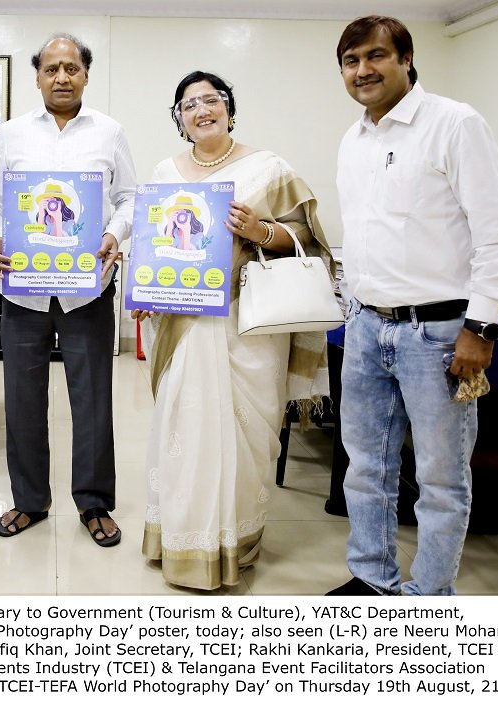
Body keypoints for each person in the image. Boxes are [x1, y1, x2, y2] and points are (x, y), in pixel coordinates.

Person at [328, 16, 498, 596]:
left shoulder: (454, 124)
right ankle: (372, 578)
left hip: (438, 333)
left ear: (406, 58)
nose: (364, 70)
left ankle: (429, 595)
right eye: (352, 61)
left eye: (376, 56)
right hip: (365, 327)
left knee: (439, 478)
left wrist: (480, 327)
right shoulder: (353, 139)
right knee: (366, 469)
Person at [134, 71, 332, 590]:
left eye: (211, 100)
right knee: (184, 432)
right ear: (178, 119)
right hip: (184, 326)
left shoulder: (269, 168)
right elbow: (153, 247)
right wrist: (143, 293)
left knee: (246, 434)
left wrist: (261, 230)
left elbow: (310, 240)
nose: (202, 110)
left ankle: (235, 542)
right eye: (189, 104)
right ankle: (183, 541)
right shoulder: (163, 172)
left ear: (228, 107)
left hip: (247, 328)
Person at [0, 34, 136, 547]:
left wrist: (114, 234)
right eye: (51, 69)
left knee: (91, 400)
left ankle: (94, 503)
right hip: (23, 291)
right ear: (38, 77)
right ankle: (29, 501)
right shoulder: (12, 133)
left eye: (71, 68)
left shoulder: (109, 132)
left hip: (88, 290)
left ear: (86, 75)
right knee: (23, 399)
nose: (62, 77)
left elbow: (130, 199)